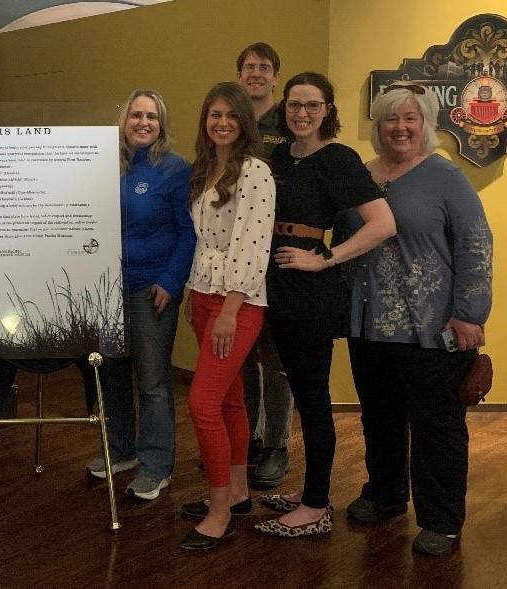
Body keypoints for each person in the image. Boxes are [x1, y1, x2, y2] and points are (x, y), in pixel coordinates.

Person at [344, 82, 492, 556]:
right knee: (379, 418)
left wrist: (470, 313)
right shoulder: (361, 176)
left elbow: (475, 243)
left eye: (411, 118)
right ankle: (385, 495)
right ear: (378, 126)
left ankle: (441, 519)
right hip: (367, 326)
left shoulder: (446, 177)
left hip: (432, 328)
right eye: (390, 118)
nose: (400, 127)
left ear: (426, 124)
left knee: (438, 425)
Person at [253, 72, 395, 537]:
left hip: (309, 295)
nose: (302, 113)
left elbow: (382, 224)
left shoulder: (338, 159)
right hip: (272, 283)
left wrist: (325, 259)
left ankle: (315, 505)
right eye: (295, 104)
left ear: (328, 110)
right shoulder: (279, 156)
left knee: (313, 399)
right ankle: (310, 489)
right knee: (297, 393)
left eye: (313, 106)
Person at [83, 89, 195, 500]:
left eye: (151, 116)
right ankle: (120, 451)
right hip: (106, 290)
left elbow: (189, 233)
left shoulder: (175, 170)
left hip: (152, 291)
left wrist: (171, 280)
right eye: (136, 115)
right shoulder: (104, 166)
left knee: (152, 382)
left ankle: (155, 466)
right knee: (111, 374)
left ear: (161, 124)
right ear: (124, 121)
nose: (143, 122)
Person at [178, 82, 273, 551]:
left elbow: (252, 248)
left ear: (244, 122)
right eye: (214, 115)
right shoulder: (207, 170)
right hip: (202, 294)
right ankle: (236, 491)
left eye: (231, 116)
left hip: (236, 302)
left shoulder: (255, 172)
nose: (222, 123)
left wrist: (230, 311)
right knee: (231, 399)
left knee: (202, 404)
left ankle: (219, 512)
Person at [235, 41, 295, 489]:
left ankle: (276, 445)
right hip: (236, 255)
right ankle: (248, 439)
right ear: (239, 76)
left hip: (276, 255)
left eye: (264, 67)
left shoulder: (288, 123)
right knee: (241, 357)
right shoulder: (229, 121)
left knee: (275, 358)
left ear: (275, 76)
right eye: (249, 67)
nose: (256, 73)